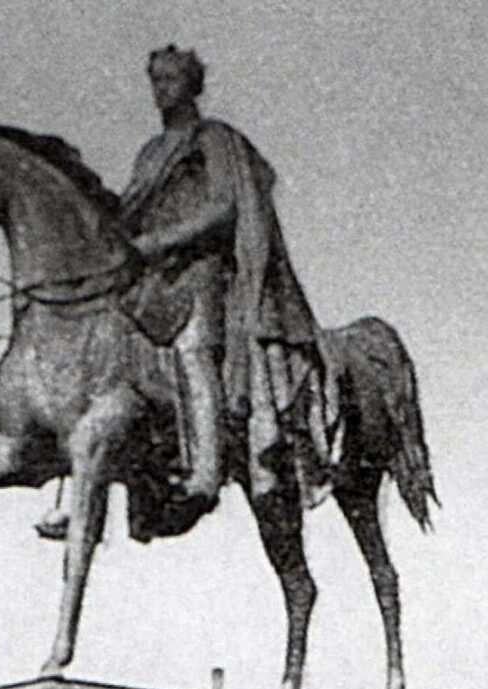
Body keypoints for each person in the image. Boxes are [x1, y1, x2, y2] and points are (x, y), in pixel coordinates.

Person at [119, 45, 332, 511]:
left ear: (192, 84)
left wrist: (160, 242)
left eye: (171, 79)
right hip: (157, 277)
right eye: (155, 79)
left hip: (205, 271)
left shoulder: (211, 138)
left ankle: (206, 471)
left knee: (193, 349)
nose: (161, 89)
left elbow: (224, 207)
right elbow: (130, 212)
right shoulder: (151, 152)